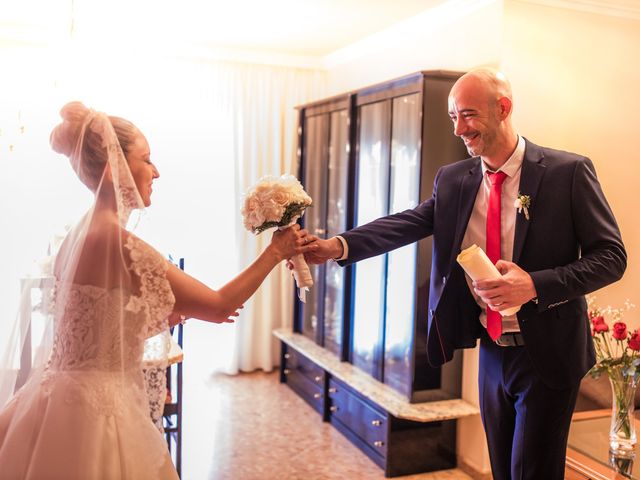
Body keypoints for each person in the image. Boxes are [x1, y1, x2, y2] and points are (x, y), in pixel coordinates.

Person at [305, 68, 626, 479]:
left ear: (504, 109)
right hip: (490, 349)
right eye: (453, 116)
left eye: (468, 115)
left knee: (534, 472)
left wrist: (533, 285)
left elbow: (611, 257)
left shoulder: (568, 172)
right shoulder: (454, 179)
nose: (458, 129)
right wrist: (337, 246)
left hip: (549, 350)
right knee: (502, 469)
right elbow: (407, 222)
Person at [0, 101, 315, 479]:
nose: (157, 172)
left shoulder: (78, 235)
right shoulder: (117, 242)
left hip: (55, 402)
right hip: (98, 414)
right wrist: (277, 251)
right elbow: (218, 306)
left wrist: (173, 313)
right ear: (116, 165)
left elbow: (95, 330)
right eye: (147, 159)